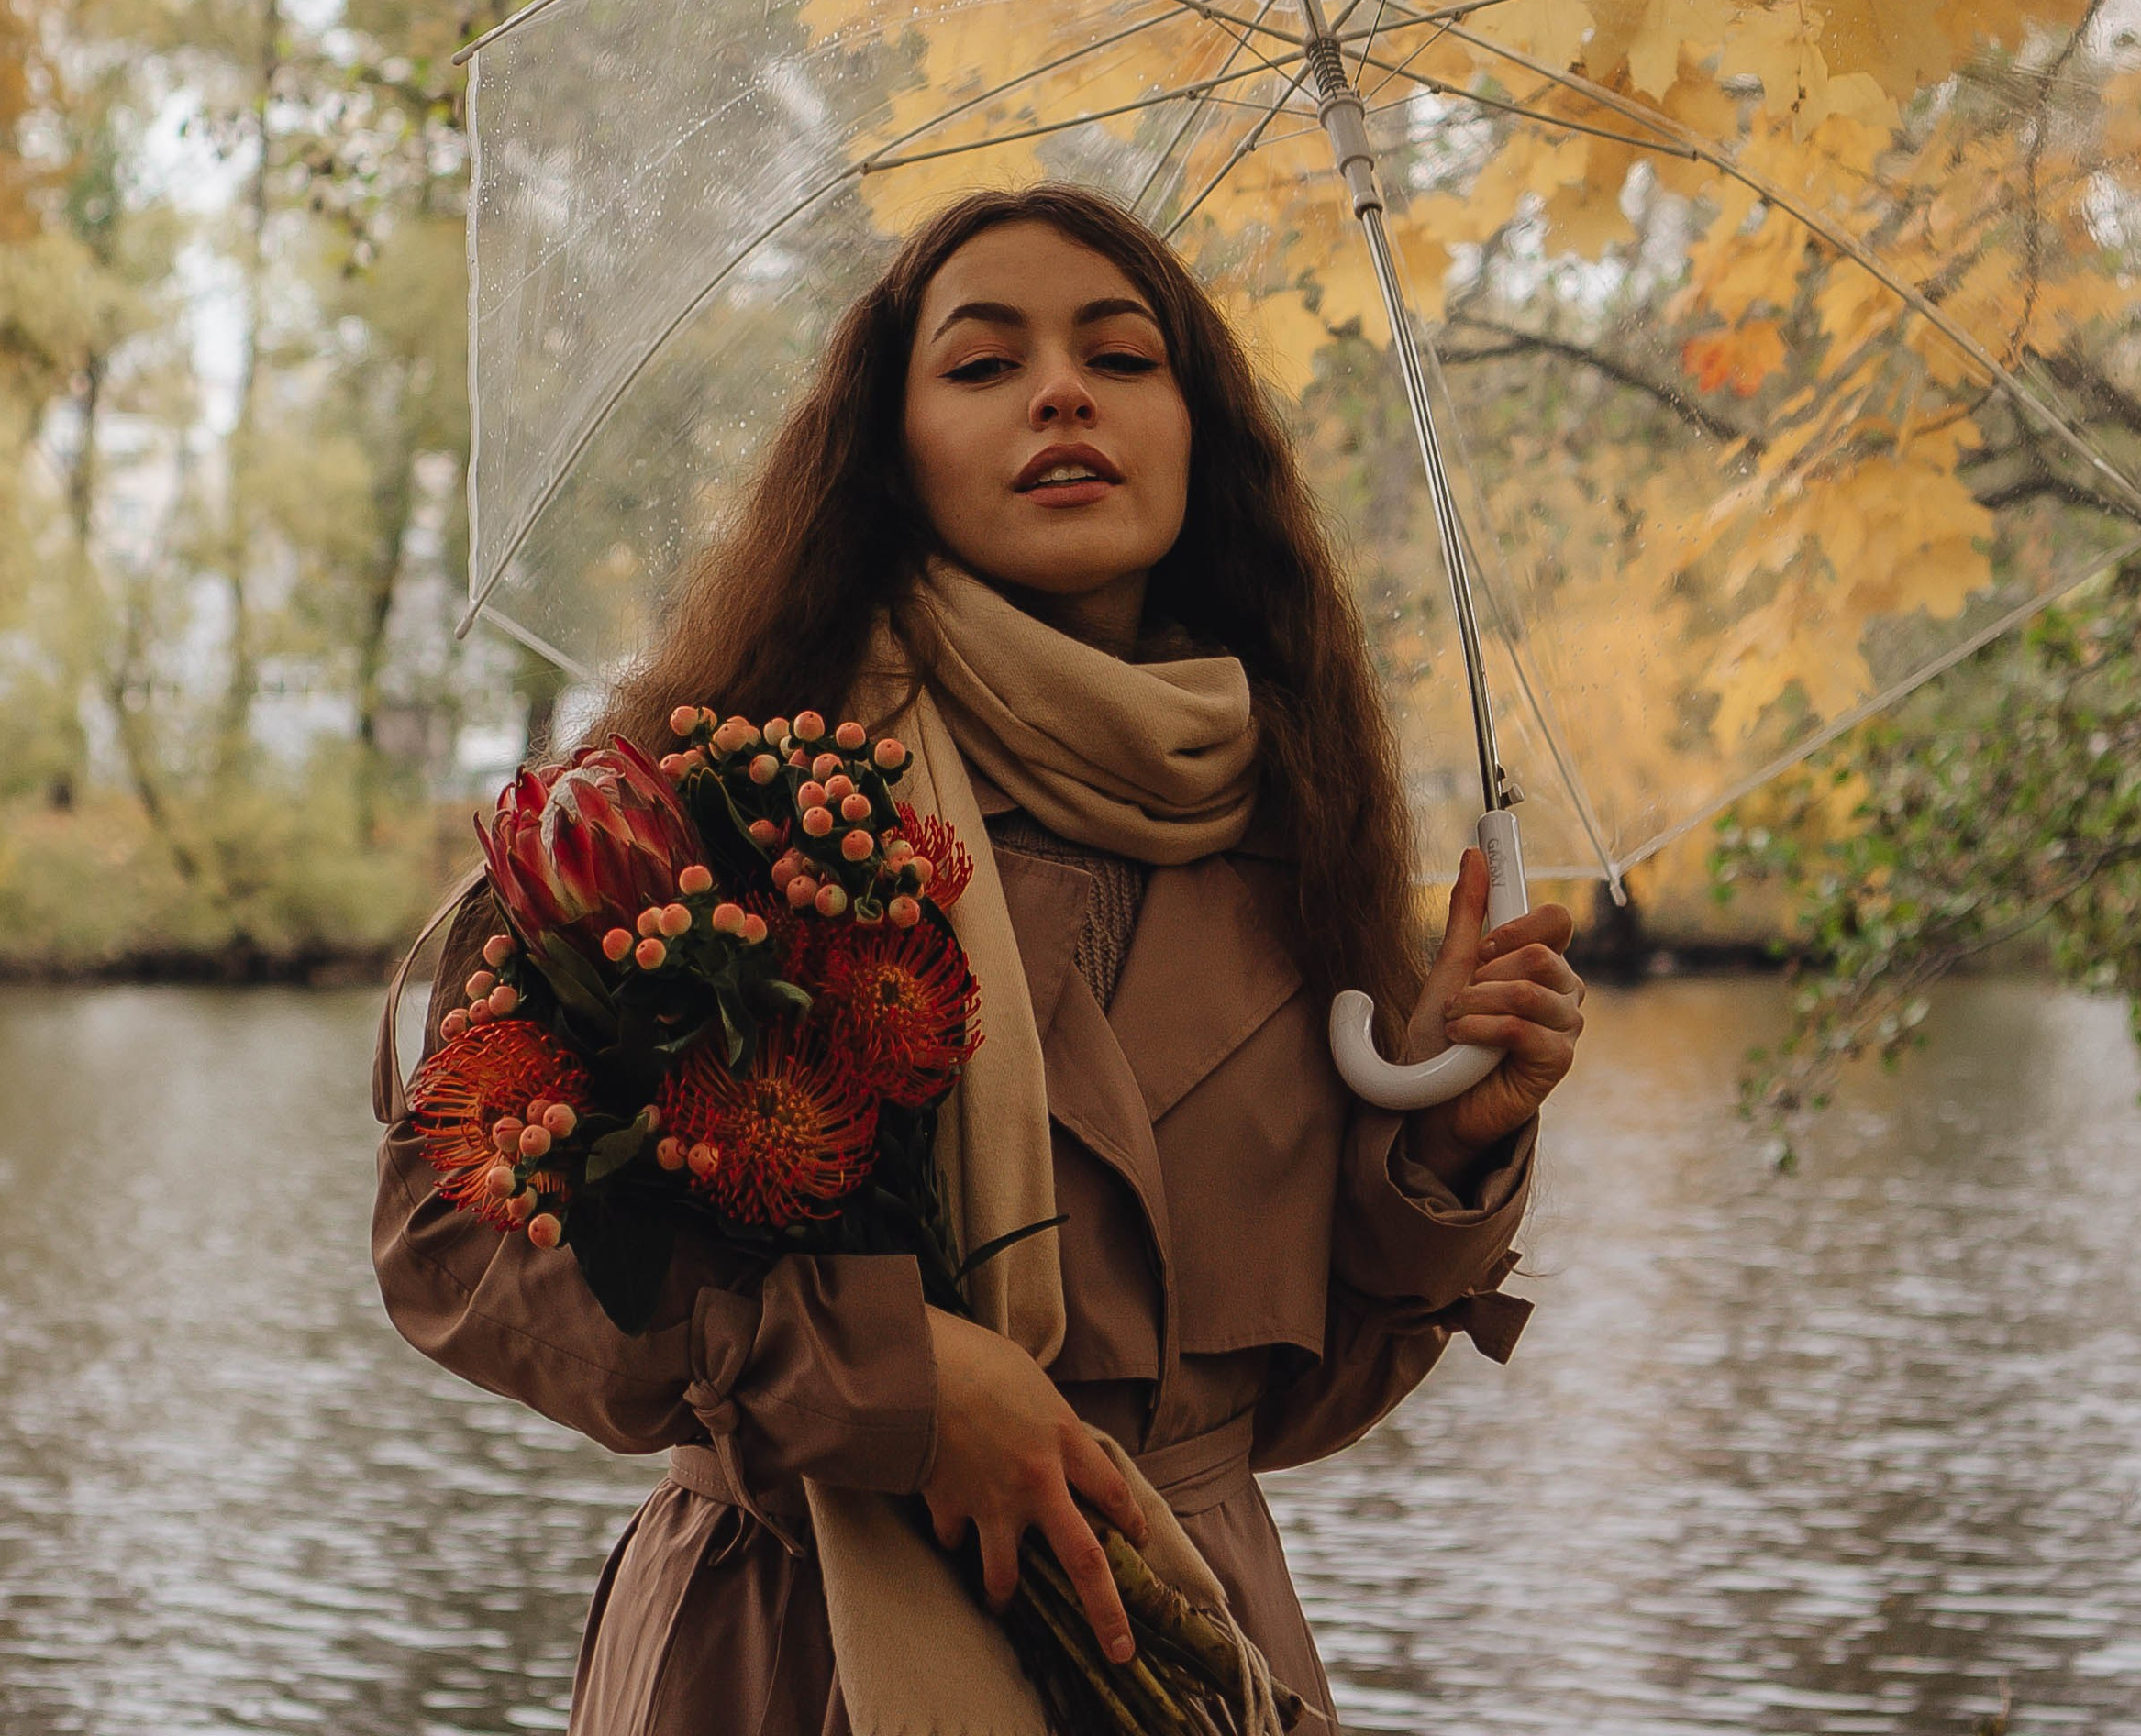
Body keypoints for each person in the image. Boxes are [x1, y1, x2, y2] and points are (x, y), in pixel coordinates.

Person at [372, 184, 1584, 1733]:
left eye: (1122, 357)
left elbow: (1297, 1394)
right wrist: (896, 1388)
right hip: (785, 1645)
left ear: (1199, 432)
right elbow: (447, 1243)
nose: (1062, 391)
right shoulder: (709, 795)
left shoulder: (1307, 840)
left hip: (1182, 1656)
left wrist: (1447, 1150)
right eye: (984, 363)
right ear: (890, 449)